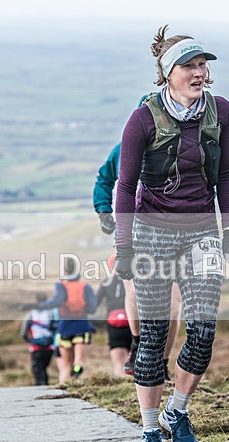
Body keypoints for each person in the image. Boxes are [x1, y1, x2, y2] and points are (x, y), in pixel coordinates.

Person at [113, 25, 229, 442]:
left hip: (202, 229)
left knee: (203, 332)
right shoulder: (143, 119)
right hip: (151, 231)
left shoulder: (221, 111)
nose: (200, 73)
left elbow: (226, 174)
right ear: (169, 72)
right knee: (151, 338)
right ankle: (150, 431)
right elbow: (124, 183)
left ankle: (177, 412)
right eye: (190, 65)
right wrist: (124, 245)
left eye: (203, 65)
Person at [92, 114, 182, 382]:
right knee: (133, 288)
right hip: (132, 230)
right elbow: (104, 179)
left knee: (173, 304)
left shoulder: (182, 146)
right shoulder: (123, 149)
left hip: (174, 232)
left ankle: (162, 363)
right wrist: (104, 211)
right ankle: (136, 346)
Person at [33, 257, 97, 385]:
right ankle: (78, 368)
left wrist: (38, 305)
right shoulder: (85, 286)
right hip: (81, 326)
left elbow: (56, 301)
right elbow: (92, 308)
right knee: (78, 361)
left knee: (65, 366)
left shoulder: (60, 285)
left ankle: (64, 388)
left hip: (64, 327)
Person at [96, 255, 132, 378]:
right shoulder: (132, 281)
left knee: (118, 365)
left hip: (114, 323)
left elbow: (95, 303)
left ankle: (120, 380)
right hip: (132, 323)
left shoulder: (106, 282)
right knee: (135, 361)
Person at [20, 306, 59, 385]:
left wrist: (30, 341)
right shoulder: (50, 313)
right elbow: (56, 328)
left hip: (36, 347)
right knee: (44, 367)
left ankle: (39, 385)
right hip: (49, 346)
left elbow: (23, 333)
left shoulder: (30, 314)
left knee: (37, 367)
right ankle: (45, 384)